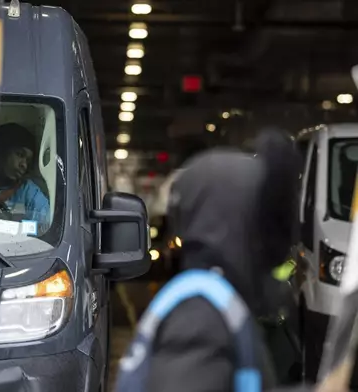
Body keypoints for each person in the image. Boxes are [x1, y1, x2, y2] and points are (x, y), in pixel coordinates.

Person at [115, 130, 313, 392]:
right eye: (262, 218)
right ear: (233, 221)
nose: (273, 237)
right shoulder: (200, 318)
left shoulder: (212, 301)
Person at [0, 122, 50, 230]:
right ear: (1, 152)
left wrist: (13, 227)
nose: (24, 164)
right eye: (20, 154)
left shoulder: (28, 192)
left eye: (28, 161)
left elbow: (46, 227)